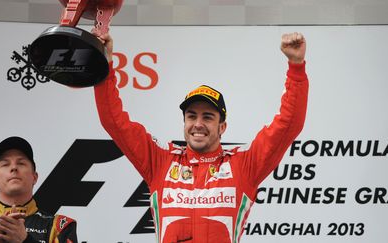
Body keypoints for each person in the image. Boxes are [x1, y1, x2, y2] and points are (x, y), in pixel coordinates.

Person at [93, 31, 308, 243]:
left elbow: (288, 125)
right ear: (184, 122)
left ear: (222, 126)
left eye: (207, 117)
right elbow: (113, 121)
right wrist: (105, 63)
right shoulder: (160, 162)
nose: (198, 124)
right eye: (191, 116)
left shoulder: (243, 167)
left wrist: (296, 68)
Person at [0, 136, 78, 243]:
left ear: (34, 177)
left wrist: (25, 240)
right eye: (5, 164)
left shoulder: (59, 227)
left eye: (21, 163)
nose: (14, 168)